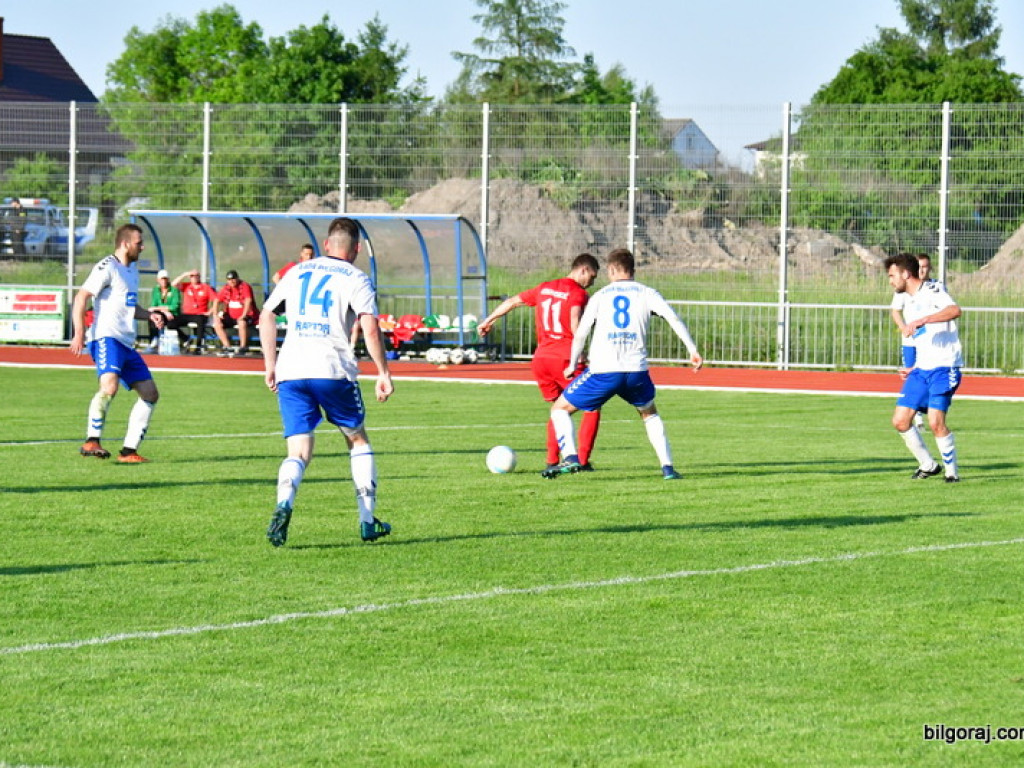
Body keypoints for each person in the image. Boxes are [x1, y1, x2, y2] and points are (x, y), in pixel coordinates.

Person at [259, 216, 395, 547]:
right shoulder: (357, 278)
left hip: (292, 369)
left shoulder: (298, 271)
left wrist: (270, 365)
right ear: (357, 249)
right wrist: (383, 372)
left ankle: (283, 503)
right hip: (332, 368)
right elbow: (370, 327)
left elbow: (266, 314)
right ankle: (367, 520)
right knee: (357, 439)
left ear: (325, 245)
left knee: (299, 450)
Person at [543, 248, 703, 480]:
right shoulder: (648, 293)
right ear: (632, 270)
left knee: (559, 409)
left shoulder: (601, 296)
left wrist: (572, 364)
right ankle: (668, 468)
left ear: (612, 269)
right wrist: (692, 349)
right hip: (636, 371)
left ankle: (570, 457)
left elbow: (581, 333)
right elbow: (673, 318)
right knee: (649, 413)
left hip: (604, 371)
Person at [477, 253, 603, 470]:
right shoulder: (577, 293)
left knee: (557, 409)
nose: (592, 282)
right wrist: (579, 351)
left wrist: (488, 320)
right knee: (593, 405)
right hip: (564, 359)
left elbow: (513, 301)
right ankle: (581, 460)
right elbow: (575, 320)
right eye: (591, 277)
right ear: (583, 269)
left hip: (541, 360)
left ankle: (552, 461)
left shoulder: (544, 288)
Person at [69, 223, 164, 463]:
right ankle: (92, 440)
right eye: (138, 243)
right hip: (106, 337)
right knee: (109, 387)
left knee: (150, 394)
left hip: (126, 343)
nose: (142, 247)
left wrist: (149, 314)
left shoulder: (132, 271)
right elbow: (81, 297)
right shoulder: (107, 266)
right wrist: (79, 332)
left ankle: (129, 452)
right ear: (125, 243)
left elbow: (130, 307)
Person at [884, 252, 963, 483]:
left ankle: (952, 474)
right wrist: (914, 367)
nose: (890, 281)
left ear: (906, 274)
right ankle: (928, 465)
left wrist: (924, 319)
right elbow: (924, 339)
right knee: (900, 420)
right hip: (922, 369)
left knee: (935, 423)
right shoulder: (906, 300)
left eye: (892, 276)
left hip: (943, 368)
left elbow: (955, 311)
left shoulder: (932, 291)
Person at [890, 253, 934, 429]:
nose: (922, 270)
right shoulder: (903, 289)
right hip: (910, 342)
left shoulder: (935, 288)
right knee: (911, 375)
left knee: (929, 374)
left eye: (925, 266)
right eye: (920, 266)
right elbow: (895, 311)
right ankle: (917, 418)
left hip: (929, 342)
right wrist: (904, 328)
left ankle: (927, 412)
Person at [212, 269, 259, 356]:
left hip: (246, 315)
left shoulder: (244, 286)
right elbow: (216, 300)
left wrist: (243, 315)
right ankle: (227, 346)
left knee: (241, 322)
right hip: (231, 315)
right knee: (217, 324)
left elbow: (248, 300)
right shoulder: (226, 288)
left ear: (237, 278)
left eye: (233, 279)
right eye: (229, 280)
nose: (231, 281)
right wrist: (215, 315)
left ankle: (243, 347)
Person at [172, 268, 218, 354]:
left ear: (199, 277)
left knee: (200, 321)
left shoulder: (205, 287)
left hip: (200, 314)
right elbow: (173, 284)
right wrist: (184, 274)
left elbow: (216, 299)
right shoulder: (187, 286)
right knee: (171, 323)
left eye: (196, 275)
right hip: (187, 314)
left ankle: (198, 345)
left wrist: (210, 311)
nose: (194, 277)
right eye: (192, 276)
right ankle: (185, 339)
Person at [145, 269, 183, 350]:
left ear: (168, 279)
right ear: (158, 280)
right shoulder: (156, 290)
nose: (164, 281)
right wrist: (165, 311)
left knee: (170, 323)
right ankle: (154, 339)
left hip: (174, 314)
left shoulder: (174, 290)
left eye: (165, 279)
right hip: (164, 314)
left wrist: (164, 310)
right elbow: (153, 305)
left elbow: (174, 306)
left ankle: (184, 339)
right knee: (153, 315)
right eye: (162, 279)